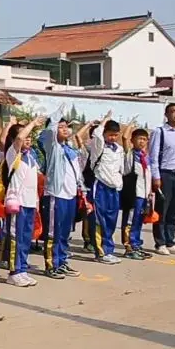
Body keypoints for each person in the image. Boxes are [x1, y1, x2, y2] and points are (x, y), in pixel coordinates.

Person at [0, 116, 45, 287]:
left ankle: (23, 269)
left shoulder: (31, 156)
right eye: (25, 136)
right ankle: (14, 271)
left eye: (30, 137)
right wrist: (32, 123)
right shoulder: (13, 154)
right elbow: (19, 138)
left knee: (26, 238)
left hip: (29, 203)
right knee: (15, 237)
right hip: (16, 204)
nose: (28, 139)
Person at [39, 104, 83, 279]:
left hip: (70, 196)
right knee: (53, 232)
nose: (65, 129)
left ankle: (62, 261)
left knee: (65, 232)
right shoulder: (53, 147)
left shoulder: (69, 149)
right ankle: (51, 264)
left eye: (67, 126)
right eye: (61, 127)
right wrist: (56, 115)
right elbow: (49, 133)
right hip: (56, 196)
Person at [149, 103, 175, 255]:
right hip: (165, 174)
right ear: (166, 115)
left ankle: (170, 241)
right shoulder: (159, 132)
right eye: (173, 112)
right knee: (162, 209)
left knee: (174, 210)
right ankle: (160, 243)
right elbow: (153, 156)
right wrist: (156, 177)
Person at [86, 112, 125, 264]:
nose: (113, 138)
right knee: (98, 219)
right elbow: (96, 134)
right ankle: (101, 253)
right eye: (110, 135)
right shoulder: (99, 146)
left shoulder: (119, 149)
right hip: (100, 187)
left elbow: (120, 169)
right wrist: (104, 121)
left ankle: (109, 249)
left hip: (114, 189)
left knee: (111, 220)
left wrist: (119, 184)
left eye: (115, 135)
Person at [120, 126, 154, 260]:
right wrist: (130, 125)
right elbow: (124, 138)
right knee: (130, 221)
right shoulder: (130, 155)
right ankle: (128, 247)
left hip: (144, 194)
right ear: (133, 140)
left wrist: (150, 193)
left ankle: (136, 245)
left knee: (139, 221)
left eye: (144, 139)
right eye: (139, 139)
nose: (142, 142)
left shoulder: (145, 157)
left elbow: (148, 175)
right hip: (133, 194)